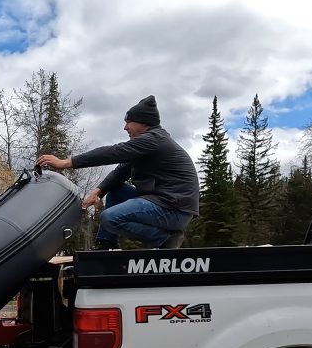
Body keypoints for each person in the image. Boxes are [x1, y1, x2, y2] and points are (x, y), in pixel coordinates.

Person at [36, 95, 199, 249]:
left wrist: (66, 162)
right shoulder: (148, 144)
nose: (125, 127)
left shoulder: (154, 139)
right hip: (164, 202)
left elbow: (113, 152)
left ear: (144, 123)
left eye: (129, 122)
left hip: (174, 209)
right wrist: (98, 192)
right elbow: (122, 170)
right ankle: (106, 244)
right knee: (115, 191)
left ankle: (165, 239)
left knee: (110, 217)